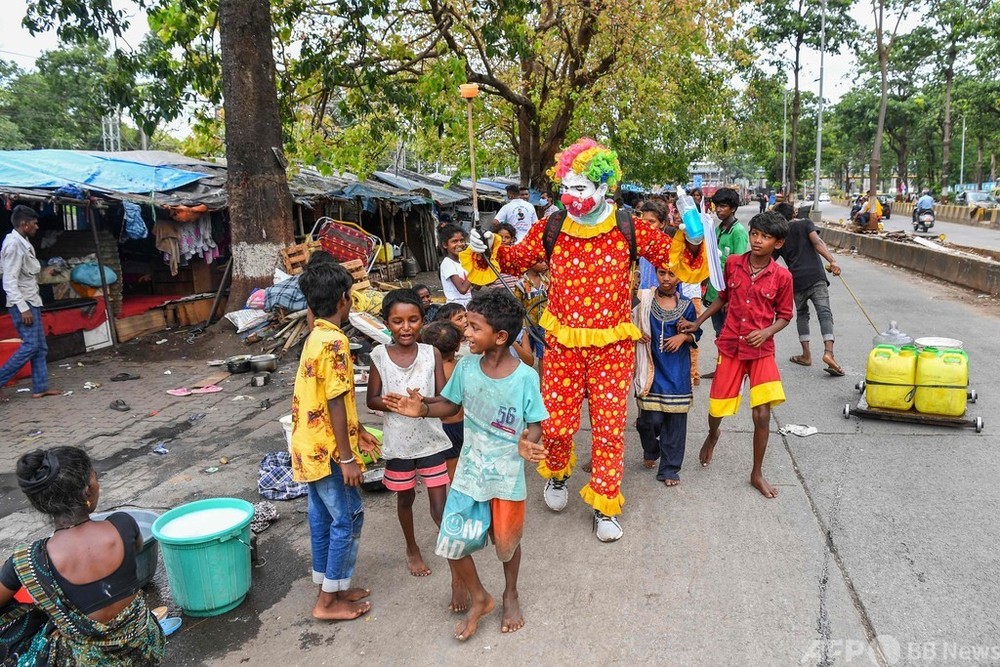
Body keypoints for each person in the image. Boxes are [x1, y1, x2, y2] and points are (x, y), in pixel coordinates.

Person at [465, 137, 708, 542]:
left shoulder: (629, 225)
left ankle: (604, 501)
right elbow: (508, 260)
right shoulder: (553, 224)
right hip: (561, 344)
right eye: (566, 186)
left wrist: (695, 238)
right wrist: (484, 246)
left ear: (603, 187)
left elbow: (676, 259)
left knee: (609, 428)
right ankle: (557, 475)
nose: (571, 195)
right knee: (557, 425)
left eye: (580, 187)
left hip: (612, 348)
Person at [382, 289, 548, 641]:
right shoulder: (467, 367)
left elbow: (535, 424)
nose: (466, 334)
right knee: (452, 541)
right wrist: (423, 408)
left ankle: (510, 592)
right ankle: (480, 597)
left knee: (507, 544)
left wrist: (528, 443)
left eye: (473, 327)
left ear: (500, 337)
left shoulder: (525, 378)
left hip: (506, 477)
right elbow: (449, 405)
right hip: (469, 474)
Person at [0, 446, 165, 664]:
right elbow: (135, 550)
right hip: (145, 646)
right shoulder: (124, 524)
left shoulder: (28, 562)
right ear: (88, 489)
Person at [680, 211, 793, 499]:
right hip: (730, 345)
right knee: (716, 408)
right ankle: (713, 434)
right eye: (755, 233)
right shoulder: (732, 264)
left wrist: (767, 332)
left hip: (761, 350)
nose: (757, 240)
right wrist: (698, 322)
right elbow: (722, 297)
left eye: (765, 237)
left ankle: (756, 472)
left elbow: (785, 315)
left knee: (762, 414)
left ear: (777, 244)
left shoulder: (782, 276)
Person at [291, 260, 379, 621]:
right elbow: (336, 401)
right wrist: (347, 457)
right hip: (328, 450)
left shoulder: (315, 336)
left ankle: (333, 584)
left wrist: (361, 434)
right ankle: (327, 603)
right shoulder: (336, 342)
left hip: (307, 445)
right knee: (348, 517)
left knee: (322, 517)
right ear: (345, 300)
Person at [633, 266, 701, 486]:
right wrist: (637, 331)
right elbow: (626, 318)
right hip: (651, 369)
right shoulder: (644, 300)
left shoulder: (686, 306)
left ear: (680, 276)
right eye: (662, 273)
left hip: (676, 372)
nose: (666, 278)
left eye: (672, 274)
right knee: (648, 420)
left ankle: (670, 468)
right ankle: (652, 449)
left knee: (675, 422)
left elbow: (696, 332)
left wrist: (684, 337)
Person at [773, 203, 844, 376]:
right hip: (816, 276)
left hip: (796, 280)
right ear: (794, 213)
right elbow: (817, 241)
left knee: (802, 315)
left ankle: (806, 355)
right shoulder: (805, 224)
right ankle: (829, 353)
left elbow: (769, 260)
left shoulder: (779, 238)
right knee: (824, 313)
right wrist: (832, 260)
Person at [0, 205, 60, 400]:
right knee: (31, 345)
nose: (36, 227)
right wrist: (23, 308)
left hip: (31, 300)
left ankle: (40, 388)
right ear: (24, 224)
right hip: (23, 304)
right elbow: (9, 281)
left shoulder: (22, 242)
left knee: (40, 347)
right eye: (34, 223)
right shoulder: (13, 246)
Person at [702, 188, 749, 354]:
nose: (719, 210)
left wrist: (732, 297)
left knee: (728, 334)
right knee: (719, 333)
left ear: (733, 208)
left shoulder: (738, 232)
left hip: (728, 294)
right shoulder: (718, 229)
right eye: (717, 206)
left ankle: (728, 371)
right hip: (715, 292)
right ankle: (720, 368)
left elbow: (740, 266)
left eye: (723, 206)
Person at [419, 321, 465, 479]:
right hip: (459, 425)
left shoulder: (429, 370)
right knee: (459, 472)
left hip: (441, 425)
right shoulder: (458, 368)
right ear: (457, 347)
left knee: (448, 471)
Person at [438, 223, 472, 307]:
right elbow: (462, 289)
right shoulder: (447, 263)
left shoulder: (463, 261)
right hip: (455, 308)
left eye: (462, 240)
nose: (460, 244)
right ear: (445, 245)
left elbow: (476, 287)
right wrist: (474, 269)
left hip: (467, 305)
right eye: (454, 241)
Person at [637, 200, 668, 289]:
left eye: (651, 221)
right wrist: (637, 273)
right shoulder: (641, 243)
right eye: (644, 221)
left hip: (661, 296)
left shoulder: (666, 247)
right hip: (642, 295)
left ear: (662, 224)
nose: (646, 225)